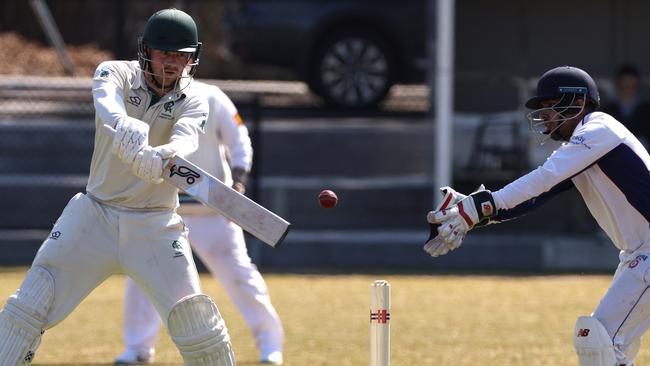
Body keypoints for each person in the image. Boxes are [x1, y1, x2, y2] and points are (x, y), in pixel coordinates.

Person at [0, 8, 238, 366]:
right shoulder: (115, 72)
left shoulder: (196, 99)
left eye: (181, 56)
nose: (173, 64)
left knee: (200, 328)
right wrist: (124, 124)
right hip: (95, 214)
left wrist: (162, 155)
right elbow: (106, 101)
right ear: (146, 51)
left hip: (156, 225)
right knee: (30, 305)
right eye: (164, 54)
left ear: (193, 58)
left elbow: (186, 139)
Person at [425, 65, 650, 366]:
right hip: (638, 253)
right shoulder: (579, 148)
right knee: (611, 347)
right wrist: (477, 213)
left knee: (598, 340)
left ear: (576, 101)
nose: (543, 114)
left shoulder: (599, 129)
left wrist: (483, 204)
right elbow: (536, 197)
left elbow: (544, 178)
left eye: (548, 105)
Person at [114, 80, 284, 365]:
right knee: (142, 277)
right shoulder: (143, 99)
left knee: (240, 277)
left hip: (211, 210)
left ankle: (270, 345)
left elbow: (239, 140)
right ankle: (138, 348)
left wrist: (239, 181)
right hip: (161, 206)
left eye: (180, 56)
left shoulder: (212, 96)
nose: (171, 64)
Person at [602, 64, 650, 146]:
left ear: (637, 84)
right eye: (624, 85)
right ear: (618, 84)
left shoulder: (647, 111)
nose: (627, 89)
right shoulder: (606, 112)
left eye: (631, 85)